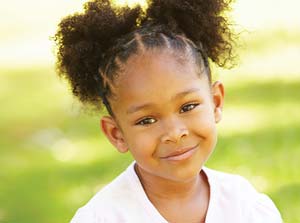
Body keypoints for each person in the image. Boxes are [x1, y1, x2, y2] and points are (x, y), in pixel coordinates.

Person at [54, 0, 282, 222]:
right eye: (146, 120)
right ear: (117, 134)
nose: (174, 133)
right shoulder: (102, 218)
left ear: (215, 102)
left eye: (187, 107)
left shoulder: (244, 206)